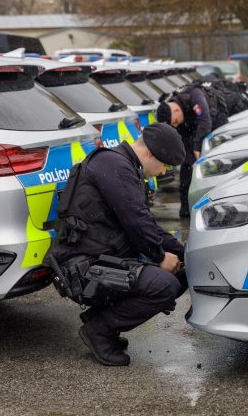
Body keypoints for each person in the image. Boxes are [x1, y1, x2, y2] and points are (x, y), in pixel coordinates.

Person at [46, 123, 187, 367]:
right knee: (163, 286)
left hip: (103, 258)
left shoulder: (122, 165)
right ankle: (100, 331)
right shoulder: (115, 166)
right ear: (151, 153)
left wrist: (182, 251)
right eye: (164, 164)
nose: (164, 172)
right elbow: (137, 222)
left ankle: (101, 319)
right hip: (85, 267)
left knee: (183, 269)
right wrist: (160, 257)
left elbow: (146, 223)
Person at [156, 85, 228, 218]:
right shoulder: (178, 115)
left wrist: (196, 146)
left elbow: (205, 121)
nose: (175, 125)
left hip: (216, 122)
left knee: (218, 165)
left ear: (177, 110)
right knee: (187, 166)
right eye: (173, 125)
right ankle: (186, 209)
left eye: (175, 122)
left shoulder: (195, 96)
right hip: (192, 129)